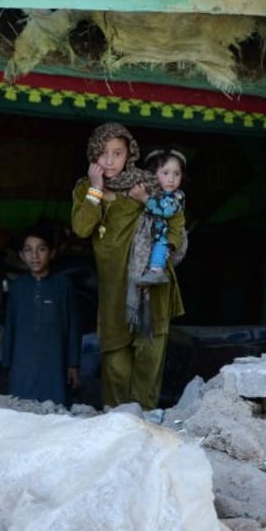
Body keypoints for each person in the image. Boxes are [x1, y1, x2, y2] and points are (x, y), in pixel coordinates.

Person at [71, 122, 184, 410]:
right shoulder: (86, 188)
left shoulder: (147, 184)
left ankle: (144, 427)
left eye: (117, 153)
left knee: (148, 362)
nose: (109, 161)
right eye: (102, 153)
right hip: (114, 292)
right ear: (92, 155)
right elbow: (82, 228)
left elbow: (175, 221)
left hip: (151, 288)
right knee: (116, 364)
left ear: (129, 154)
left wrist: (161, 254)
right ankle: (118, 426)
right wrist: (96, 189)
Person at [0, 225, 81, 405]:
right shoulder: (17, 287)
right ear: (21, 255)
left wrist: (73, 364)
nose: (34, 256)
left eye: (41, 249)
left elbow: (73, 326)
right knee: (21, 407)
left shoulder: (63, 286)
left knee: (55, 408)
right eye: (28, 250)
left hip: (55, 360)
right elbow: (10, 325)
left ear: (52, 253)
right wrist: (6, 363)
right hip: (23, 360)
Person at [131, 148, 187, 286]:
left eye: (177, 174)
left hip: (163, 237)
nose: (171, 179)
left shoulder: (177, 196)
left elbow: (165, 210)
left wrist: (144, 198)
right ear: (153, 175)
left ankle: (156, 271)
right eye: (166, 173)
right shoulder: (153, 192)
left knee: (160, 247)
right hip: (145, 239)